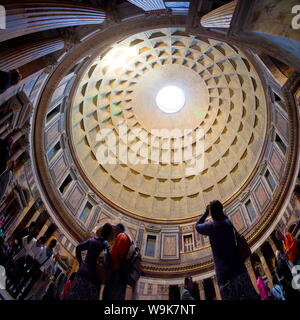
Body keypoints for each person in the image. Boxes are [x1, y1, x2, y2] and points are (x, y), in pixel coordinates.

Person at [195, 200, 258, 300]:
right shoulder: (227, 223)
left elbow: (197, 226)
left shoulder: (211, 227)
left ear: (212, 213)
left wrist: (206, 212)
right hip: (239, 269)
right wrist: (217, 210)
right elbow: (224, 216)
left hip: (225, 275)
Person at [66, 223, 112, 300]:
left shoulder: (92, 240)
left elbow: (78, 248)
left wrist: (81, 262)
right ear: (109, 234)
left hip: (82, 273)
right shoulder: (105, 245)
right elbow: (104, 262)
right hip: (92, 279)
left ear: (102, 230)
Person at [103, 223, 131, 300]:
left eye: (115, 230)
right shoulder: (129, 239)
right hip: (123, 273)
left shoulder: (121, 236)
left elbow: (114, 253)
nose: (114, 232)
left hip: (116, 270)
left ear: (119, 229)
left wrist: (107, 266)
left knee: (108, 294)